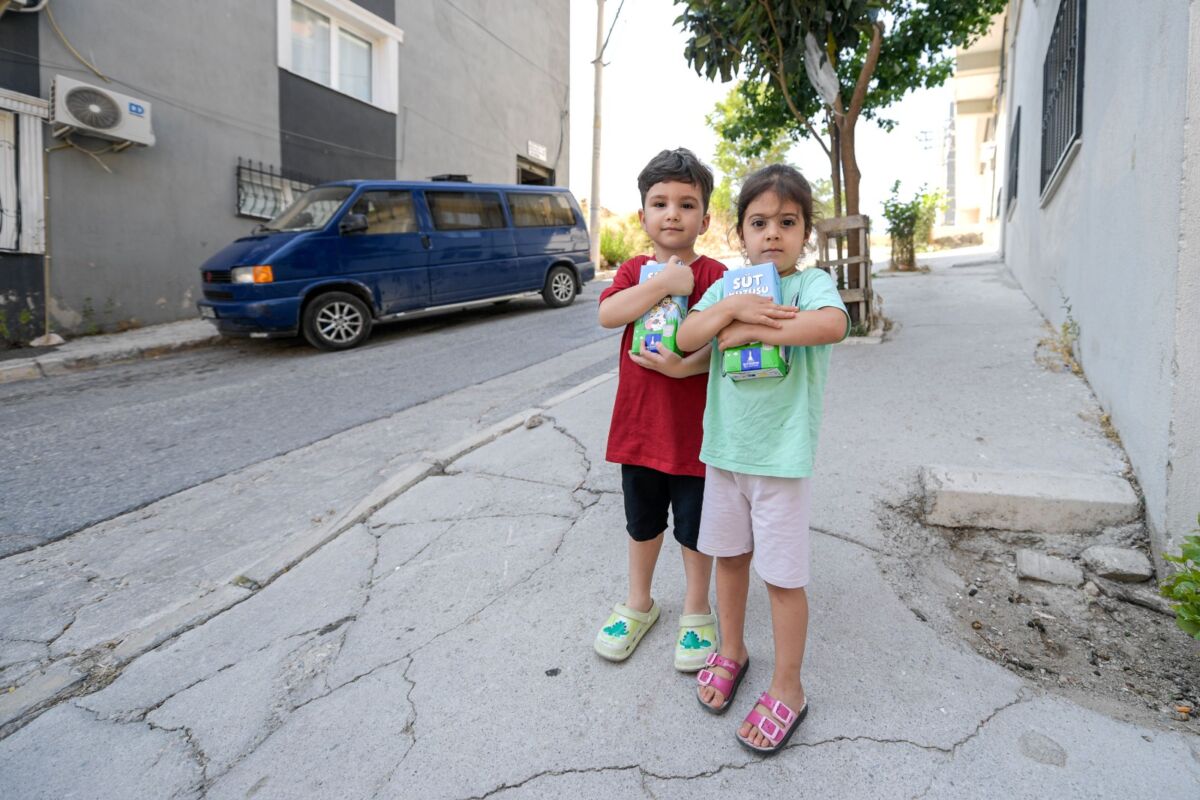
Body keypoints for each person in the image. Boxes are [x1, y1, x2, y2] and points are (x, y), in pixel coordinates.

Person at [676, 164, 849, 754]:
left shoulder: (810, 287)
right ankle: (732, 650)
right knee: (728, 559)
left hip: (780, 462)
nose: (772, 233)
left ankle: (789, 686)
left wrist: (759, 332)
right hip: (724, 455)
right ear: (740, 233)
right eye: (759, 222)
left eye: (787, 222)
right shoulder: (729, 286)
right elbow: (688, 335)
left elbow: (831, 326)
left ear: (805, 233)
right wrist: (733, 314)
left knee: (781, 578)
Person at [594, 148, 728, 672]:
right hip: (640, 428)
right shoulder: (633, 270)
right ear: (644, 215)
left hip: (697, 432)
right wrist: (662, 285)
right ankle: (639, 602)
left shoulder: (718, 273)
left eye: (686, 203)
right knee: (642, 522)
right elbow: (608, 315)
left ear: (705, 218)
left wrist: (683, 369)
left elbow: (728, 344)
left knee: (695, 527)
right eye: (660, 202)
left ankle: (697, 610)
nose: (673, 213)